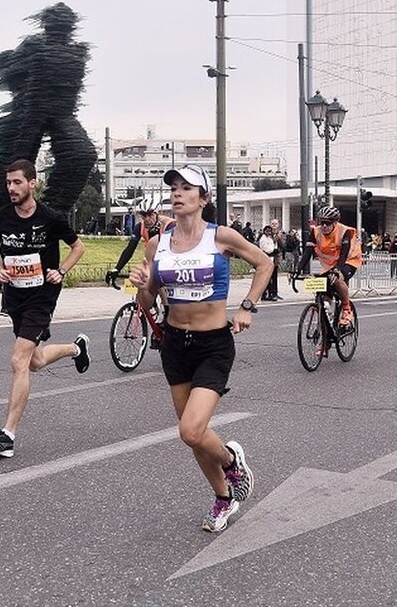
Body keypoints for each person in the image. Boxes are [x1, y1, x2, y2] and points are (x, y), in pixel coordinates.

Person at [129, 164, 271, 532]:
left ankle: (231, 462)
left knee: (191, 431)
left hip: (213, 345)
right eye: (173, 187)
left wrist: (247, 307)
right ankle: (223, 497)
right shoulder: (157, 244)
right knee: (193, 436)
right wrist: (143, 283)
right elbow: (148, 300)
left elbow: (265, 264)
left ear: (203, 198)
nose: (177, 193)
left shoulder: (220, 236)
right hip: (175, 344)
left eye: (186, 188)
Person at [0, 159, 90, 459]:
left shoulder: (51, 217)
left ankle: (7, 435)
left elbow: (78, 247)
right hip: (15, 296)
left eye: (16, 182)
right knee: (35, 361)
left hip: (42, 296)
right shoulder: (1, 217)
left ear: (32, 183)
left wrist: (61, 270)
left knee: (18, 361)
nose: (11, 188)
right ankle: (77, 350)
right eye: (8, 183)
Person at [297, 205, 364, 337]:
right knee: (324, 294)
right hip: (329, 265)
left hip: (349, 261)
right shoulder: (315, 232)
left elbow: (344, 255)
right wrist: (297, 270)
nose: (324, 226)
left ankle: (346, 309)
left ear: (335, 222)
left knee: (337, 279)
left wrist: (337, 270)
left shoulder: (344, 231)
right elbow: (307, 253)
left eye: (328, 223)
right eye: (322, 223)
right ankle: (326, 338)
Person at [104, 199, 171, 286]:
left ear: (157, 214)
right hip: (152, 260)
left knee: (163, 290)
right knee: (143, 287)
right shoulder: (140, 227)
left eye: (150, 215)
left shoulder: (167, 225)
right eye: (143, 216)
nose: (147, 219)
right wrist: (117, 269)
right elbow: (130, 249)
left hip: (169, 260)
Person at [258, 225, 279, 301]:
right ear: (264, 231)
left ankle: (270, 293)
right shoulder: (263, 239)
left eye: (270, 231)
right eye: (267, 231)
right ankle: (265, 294)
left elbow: (273, 246)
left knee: (271, 278)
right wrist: (273, 250)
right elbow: (267, 249)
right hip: (267, 258)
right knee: (267, 278)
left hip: (271, 259)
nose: (269, 232)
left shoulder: (270, 238)